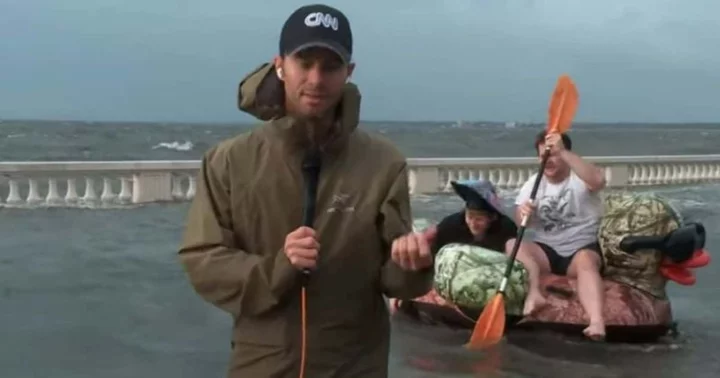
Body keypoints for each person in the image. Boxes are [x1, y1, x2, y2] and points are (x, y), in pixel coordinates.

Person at [177, 4, 434, 377]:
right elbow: (202, 259)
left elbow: (391, 279)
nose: (316, 78)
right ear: (280, 64)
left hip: (354, 363)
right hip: (262, 364)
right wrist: (279, 267)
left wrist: (412, 265)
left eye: (330, 66)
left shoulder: (383, 163)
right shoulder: (228, 161)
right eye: (305, 62)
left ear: (349, 72)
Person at [507, 130, 607, 340]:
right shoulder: (534, 183)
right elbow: (519, 221)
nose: (548, 161)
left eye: (552, 155)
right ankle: (534, 294)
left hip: (580, 247)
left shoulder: (578, 177)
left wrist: (562, 151)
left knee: (586, 261)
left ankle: (596, 321)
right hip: (547, 250)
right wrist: (525, 213)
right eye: (543, 156)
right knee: (512, 244)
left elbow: (598, 181)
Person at [388, 179, 517, 312]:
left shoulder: (506, 229)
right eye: (469, 217)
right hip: (450, 280)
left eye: (479, 219)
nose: (472, 223)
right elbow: (429, 256)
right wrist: (405, 285)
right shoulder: (452, 224)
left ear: (492, 218)